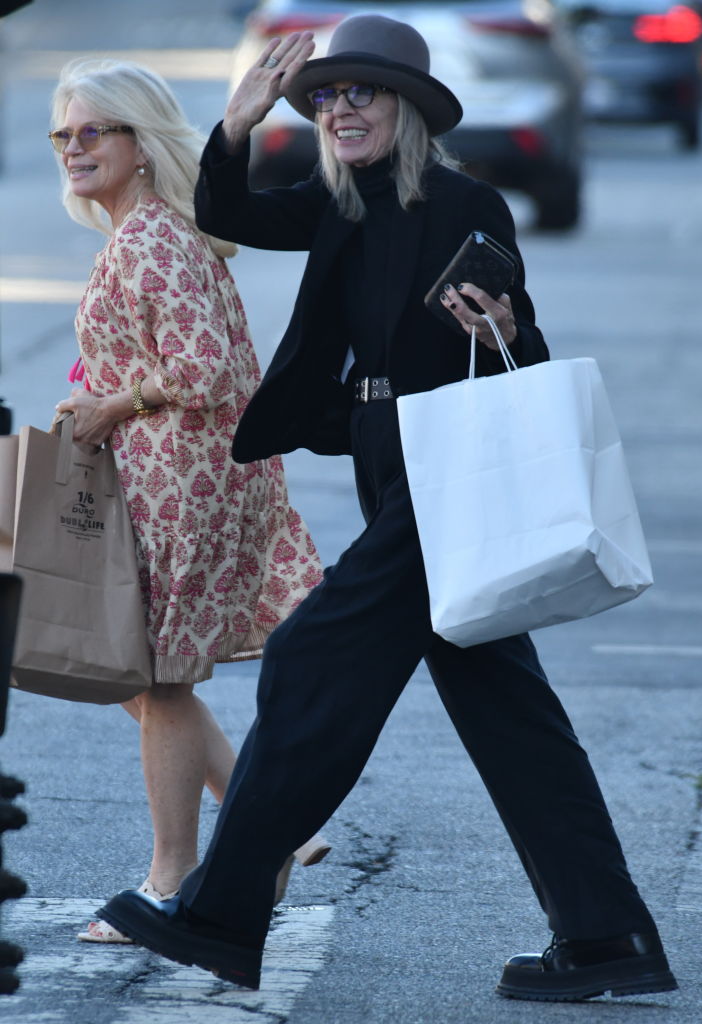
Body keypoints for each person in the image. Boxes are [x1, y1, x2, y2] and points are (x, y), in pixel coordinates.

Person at [98, 17, 678, 1002]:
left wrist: (503, 323)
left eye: (360, 92)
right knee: (509, 714)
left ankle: (223, 915)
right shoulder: (337, 203)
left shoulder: (464, 202)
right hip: (389, 467)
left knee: (309, 656)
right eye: (326, 97)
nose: (339, 110)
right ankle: (606, 935)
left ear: (406, 108)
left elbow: (518, 342)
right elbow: (226, 210)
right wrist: (238, 122)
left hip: (445, 476)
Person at [50, 58, 331, 944]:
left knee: (158, 680)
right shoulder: (146, 233)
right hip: (169, 480)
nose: (73, 148)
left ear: (140, 143)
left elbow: (205, 371)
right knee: (134, 676)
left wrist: (112, 403)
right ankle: (267, 833)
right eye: (62, 135)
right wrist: (100, 396)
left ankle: (171, 881)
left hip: (183, 486)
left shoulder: (152, 240)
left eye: (92, 131)